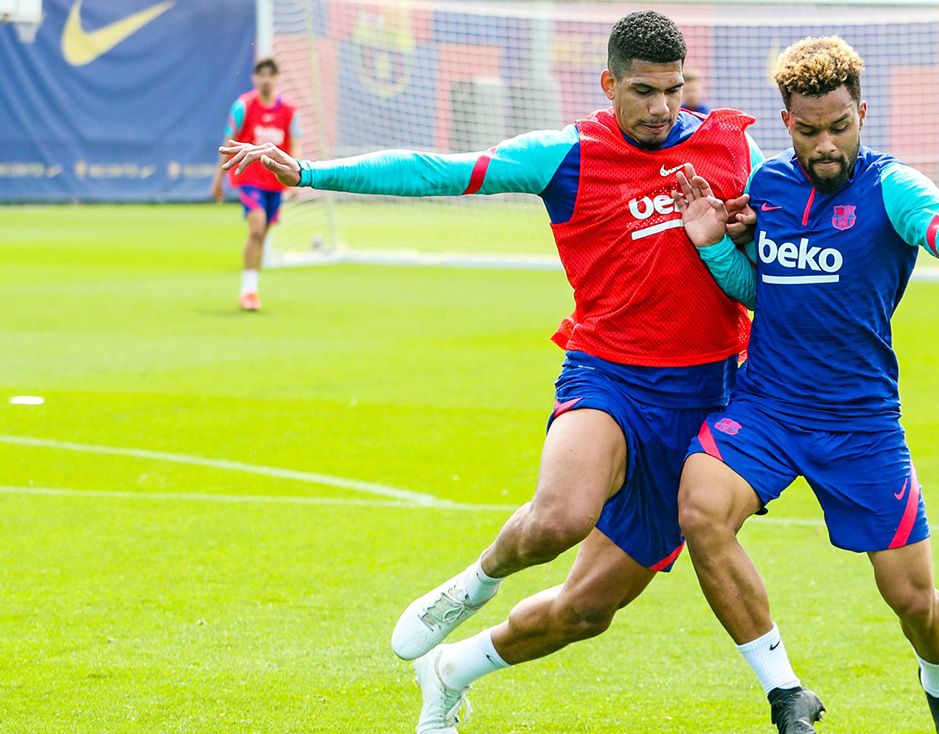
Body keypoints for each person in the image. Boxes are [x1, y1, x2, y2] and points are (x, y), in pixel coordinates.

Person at [220, 11, 762, 734]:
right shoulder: (563, 155)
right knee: (558, 519)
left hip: (703, 399)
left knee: (584, 612)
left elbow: (772, 265)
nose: (661, 108)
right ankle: (472, 585)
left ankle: (452, 671)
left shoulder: (730, 144)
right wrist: (314, 172)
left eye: (672, 90)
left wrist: (750, 240)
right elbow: (441, 170)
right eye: (642, 91)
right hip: (608, 374)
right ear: (608, 84)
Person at [670, 36, 939, 734]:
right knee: (700, 511)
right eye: (810, 129)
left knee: (913, 600)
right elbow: (763, 292)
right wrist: (712, 244)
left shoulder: (894, 186)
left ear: (862, 113)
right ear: (787, 122)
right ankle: (786, 692)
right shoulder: (768, 189)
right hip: (768, 410)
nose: (826, 145)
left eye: (839, 127)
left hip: (860, 425)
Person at [212, 57, 300, 312]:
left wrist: (296, 179)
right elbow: (228, 144)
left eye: (270, 75)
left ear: (276, 78)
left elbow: (294, 145)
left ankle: (253, 287)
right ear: (254, 78)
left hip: (276, 179)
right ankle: (247, 291)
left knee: (263, 233)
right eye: (261, 74)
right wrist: (218, 180)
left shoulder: (289, 111)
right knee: (257, 228)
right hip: (248, 177)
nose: (265, 80)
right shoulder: (243, 106)